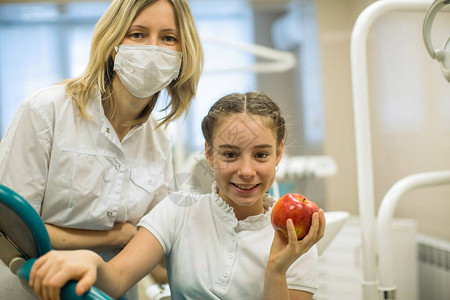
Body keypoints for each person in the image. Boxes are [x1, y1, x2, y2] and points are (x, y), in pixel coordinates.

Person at [28, 91, 326, 300]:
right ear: (209, 154)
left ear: (279, 153)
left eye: (261, 154)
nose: (246, 171)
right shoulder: (177, 211)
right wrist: (91, 262)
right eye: (230, 154)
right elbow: (116, 279)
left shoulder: (295, 239)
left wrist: (276, 270)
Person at [0, 0, 203, 299]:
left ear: (183, 55)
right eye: (137, 34)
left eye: (168, 38)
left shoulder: (160, 138)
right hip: (33, 290)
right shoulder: (46, 111)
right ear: (112, 42)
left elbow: (152, 245)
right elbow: (16, 230)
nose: (152, 48)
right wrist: (115, 236)